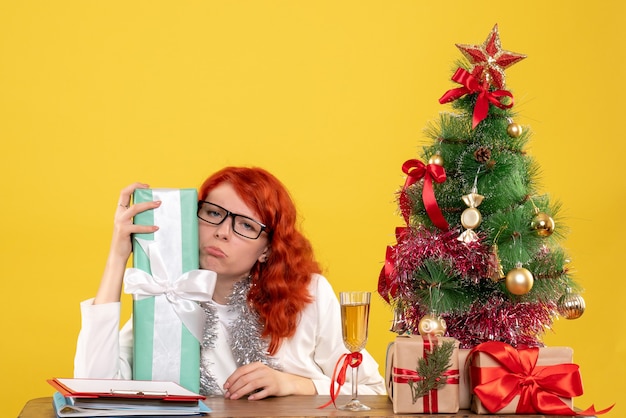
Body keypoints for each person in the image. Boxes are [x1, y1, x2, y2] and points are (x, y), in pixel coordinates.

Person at [74, 166, 386, 400]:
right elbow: (92, 385)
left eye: (245, 225)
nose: (223, 232)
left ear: (267, 248)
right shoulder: (169, 293)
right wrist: (118, 257)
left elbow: (371, 389)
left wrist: (292, 384)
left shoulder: (310, 294)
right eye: (213, 213)